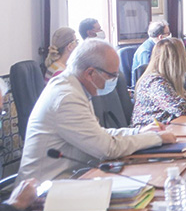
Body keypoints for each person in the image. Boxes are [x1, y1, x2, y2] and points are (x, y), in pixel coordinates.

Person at [17, 39, 175, 183]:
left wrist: (138, 132)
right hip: (42, 194)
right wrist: (155, 138)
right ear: (90, 73)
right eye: (111, 75)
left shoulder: (74, 86)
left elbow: (98, 134)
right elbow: (107, 148)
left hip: (71, 180)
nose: (114, 80)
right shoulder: (67, 97)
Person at [133, 38, 186, 126]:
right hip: (149, 133)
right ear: (176, 60)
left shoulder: (168, 79)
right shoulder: (155, 82)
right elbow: (180, 109)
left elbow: (183, 99)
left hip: (167, 128)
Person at [132, 20, 171, 85]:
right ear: (160, 37)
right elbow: (148, 75)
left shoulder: (158, 46)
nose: (169, 36)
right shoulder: (145, 51)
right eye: (168, 34)